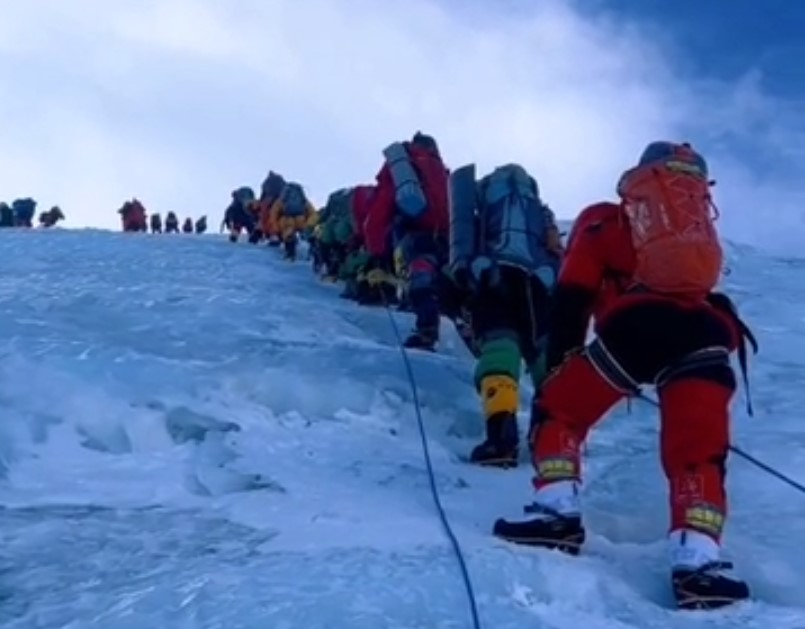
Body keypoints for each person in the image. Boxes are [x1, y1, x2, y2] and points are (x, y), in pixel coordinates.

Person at [493, 141, 756, 610]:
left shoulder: (604, 220)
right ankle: (697, 564)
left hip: (638, 330)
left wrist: (559, 367)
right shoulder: (694, 229)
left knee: (561, 410)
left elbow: (571, 300)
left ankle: (557, 514)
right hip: (708, 337)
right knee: (699, 453)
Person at [448, 163, 562, 467]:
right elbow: (555, 250)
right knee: (544, 362)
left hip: (494, 277)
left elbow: (464, 238)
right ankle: (555, 438)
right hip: (536, 284)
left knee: (500, 352)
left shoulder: (485, 202)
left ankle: (501, 438)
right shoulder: (539, 210)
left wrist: (469, 274)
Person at [364, 132, 450, 350]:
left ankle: (426, 331)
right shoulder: (442, 171)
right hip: (449, 237)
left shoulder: (403, 169)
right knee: (443, 280)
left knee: (420, 276)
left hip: (414, 234)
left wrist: (375, 251)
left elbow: (380, 209)